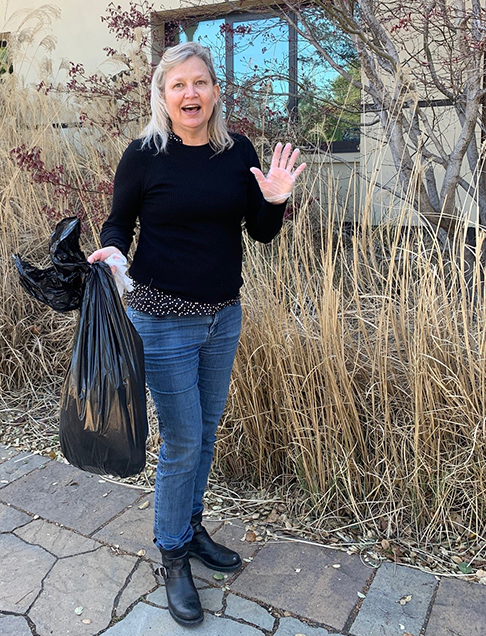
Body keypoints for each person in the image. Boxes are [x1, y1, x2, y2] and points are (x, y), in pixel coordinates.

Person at [88, 41, 306, 627]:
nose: (191, 94)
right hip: (160, 319)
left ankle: (190, 526)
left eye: (201, 83)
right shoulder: (144, 155)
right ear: (163, 95)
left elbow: (258, 233)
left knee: (205, 434)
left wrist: (276, 201)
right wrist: (111, 248)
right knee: (183, 440)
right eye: (178, 84)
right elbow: (119, 219)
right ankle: (173, 555)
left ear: (215, 91)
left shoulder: (238, 153)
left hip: (222, 316)